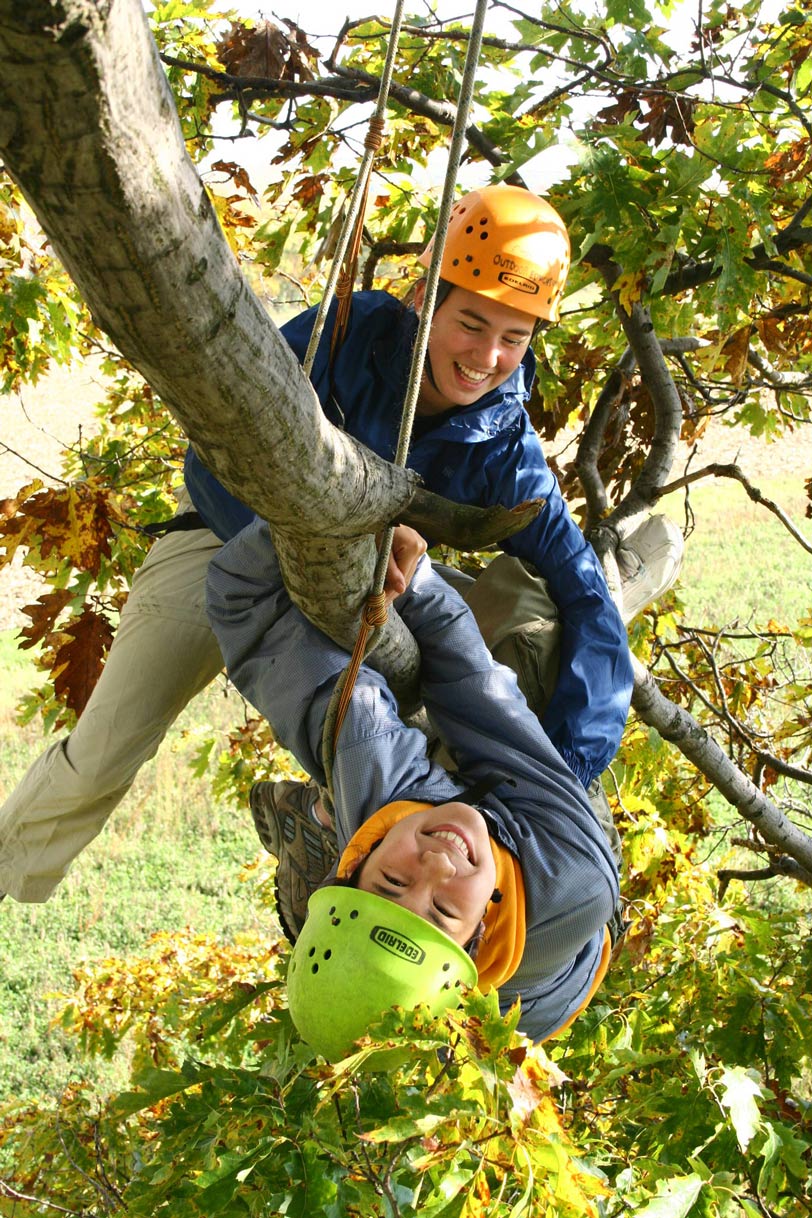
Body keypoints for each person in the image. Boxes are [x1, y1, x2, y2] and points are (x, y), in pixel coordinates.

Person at [0, 184, 677, 905]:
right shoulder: (346, 337)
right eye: (471, 324)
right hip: (224, 544)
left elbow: (584, 594)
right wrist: (349, 530)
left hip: (374, 588)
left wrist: (561, 777)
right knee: (105, 750)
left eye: (514, 338)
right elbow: (215, 458)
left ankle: (345, 829)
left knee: (536, 615)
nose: (487, 356)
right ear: (427, 300)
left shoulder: (502, 443)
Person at [206, 517, 620, 1056]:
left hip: (402, 837)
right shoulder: (574, 880)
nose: (436, 866)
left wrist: (356, 537)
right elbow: (481, 691)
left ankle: (326, 824)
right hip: (558, 970)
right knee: (533, 634)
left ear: (359, 859)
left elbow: (242, 605)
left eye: (392, 881)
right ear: (480, 932)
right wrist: (420, 581)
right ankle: (323, 819)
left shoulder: (380, 801)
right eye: (443, 913)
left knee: (356, 751)